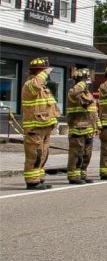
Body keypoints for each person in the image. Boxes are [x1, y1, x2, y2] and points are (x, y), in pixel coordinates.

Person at [20, 58, 60, 190]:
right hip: (34, 128)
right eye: (44, 71)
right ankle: (32, 181)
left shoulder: (43, 88)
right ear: (38, 71)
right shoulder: (30, 85)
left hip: (44, 127)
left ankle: (39, 178)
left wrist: (54, 119)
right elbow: (35, 85)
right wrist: (44, 73)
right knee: (34, 155)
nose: (47, 74)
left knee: (43, 154)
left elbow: (50, 106)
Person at [65, 68, 100, 184]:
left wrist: (97, 125)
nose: (87, 84)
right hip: (78, 129)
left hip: (89, 129)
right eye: (85, 82)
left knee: (86, 154)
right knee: (76, 153)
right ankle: (73, 176)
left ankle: (82, 174)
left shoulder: (88, 94)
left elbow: (93, 111)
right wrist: (81, 83)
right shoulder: (73, 93)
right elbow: (75, 92)